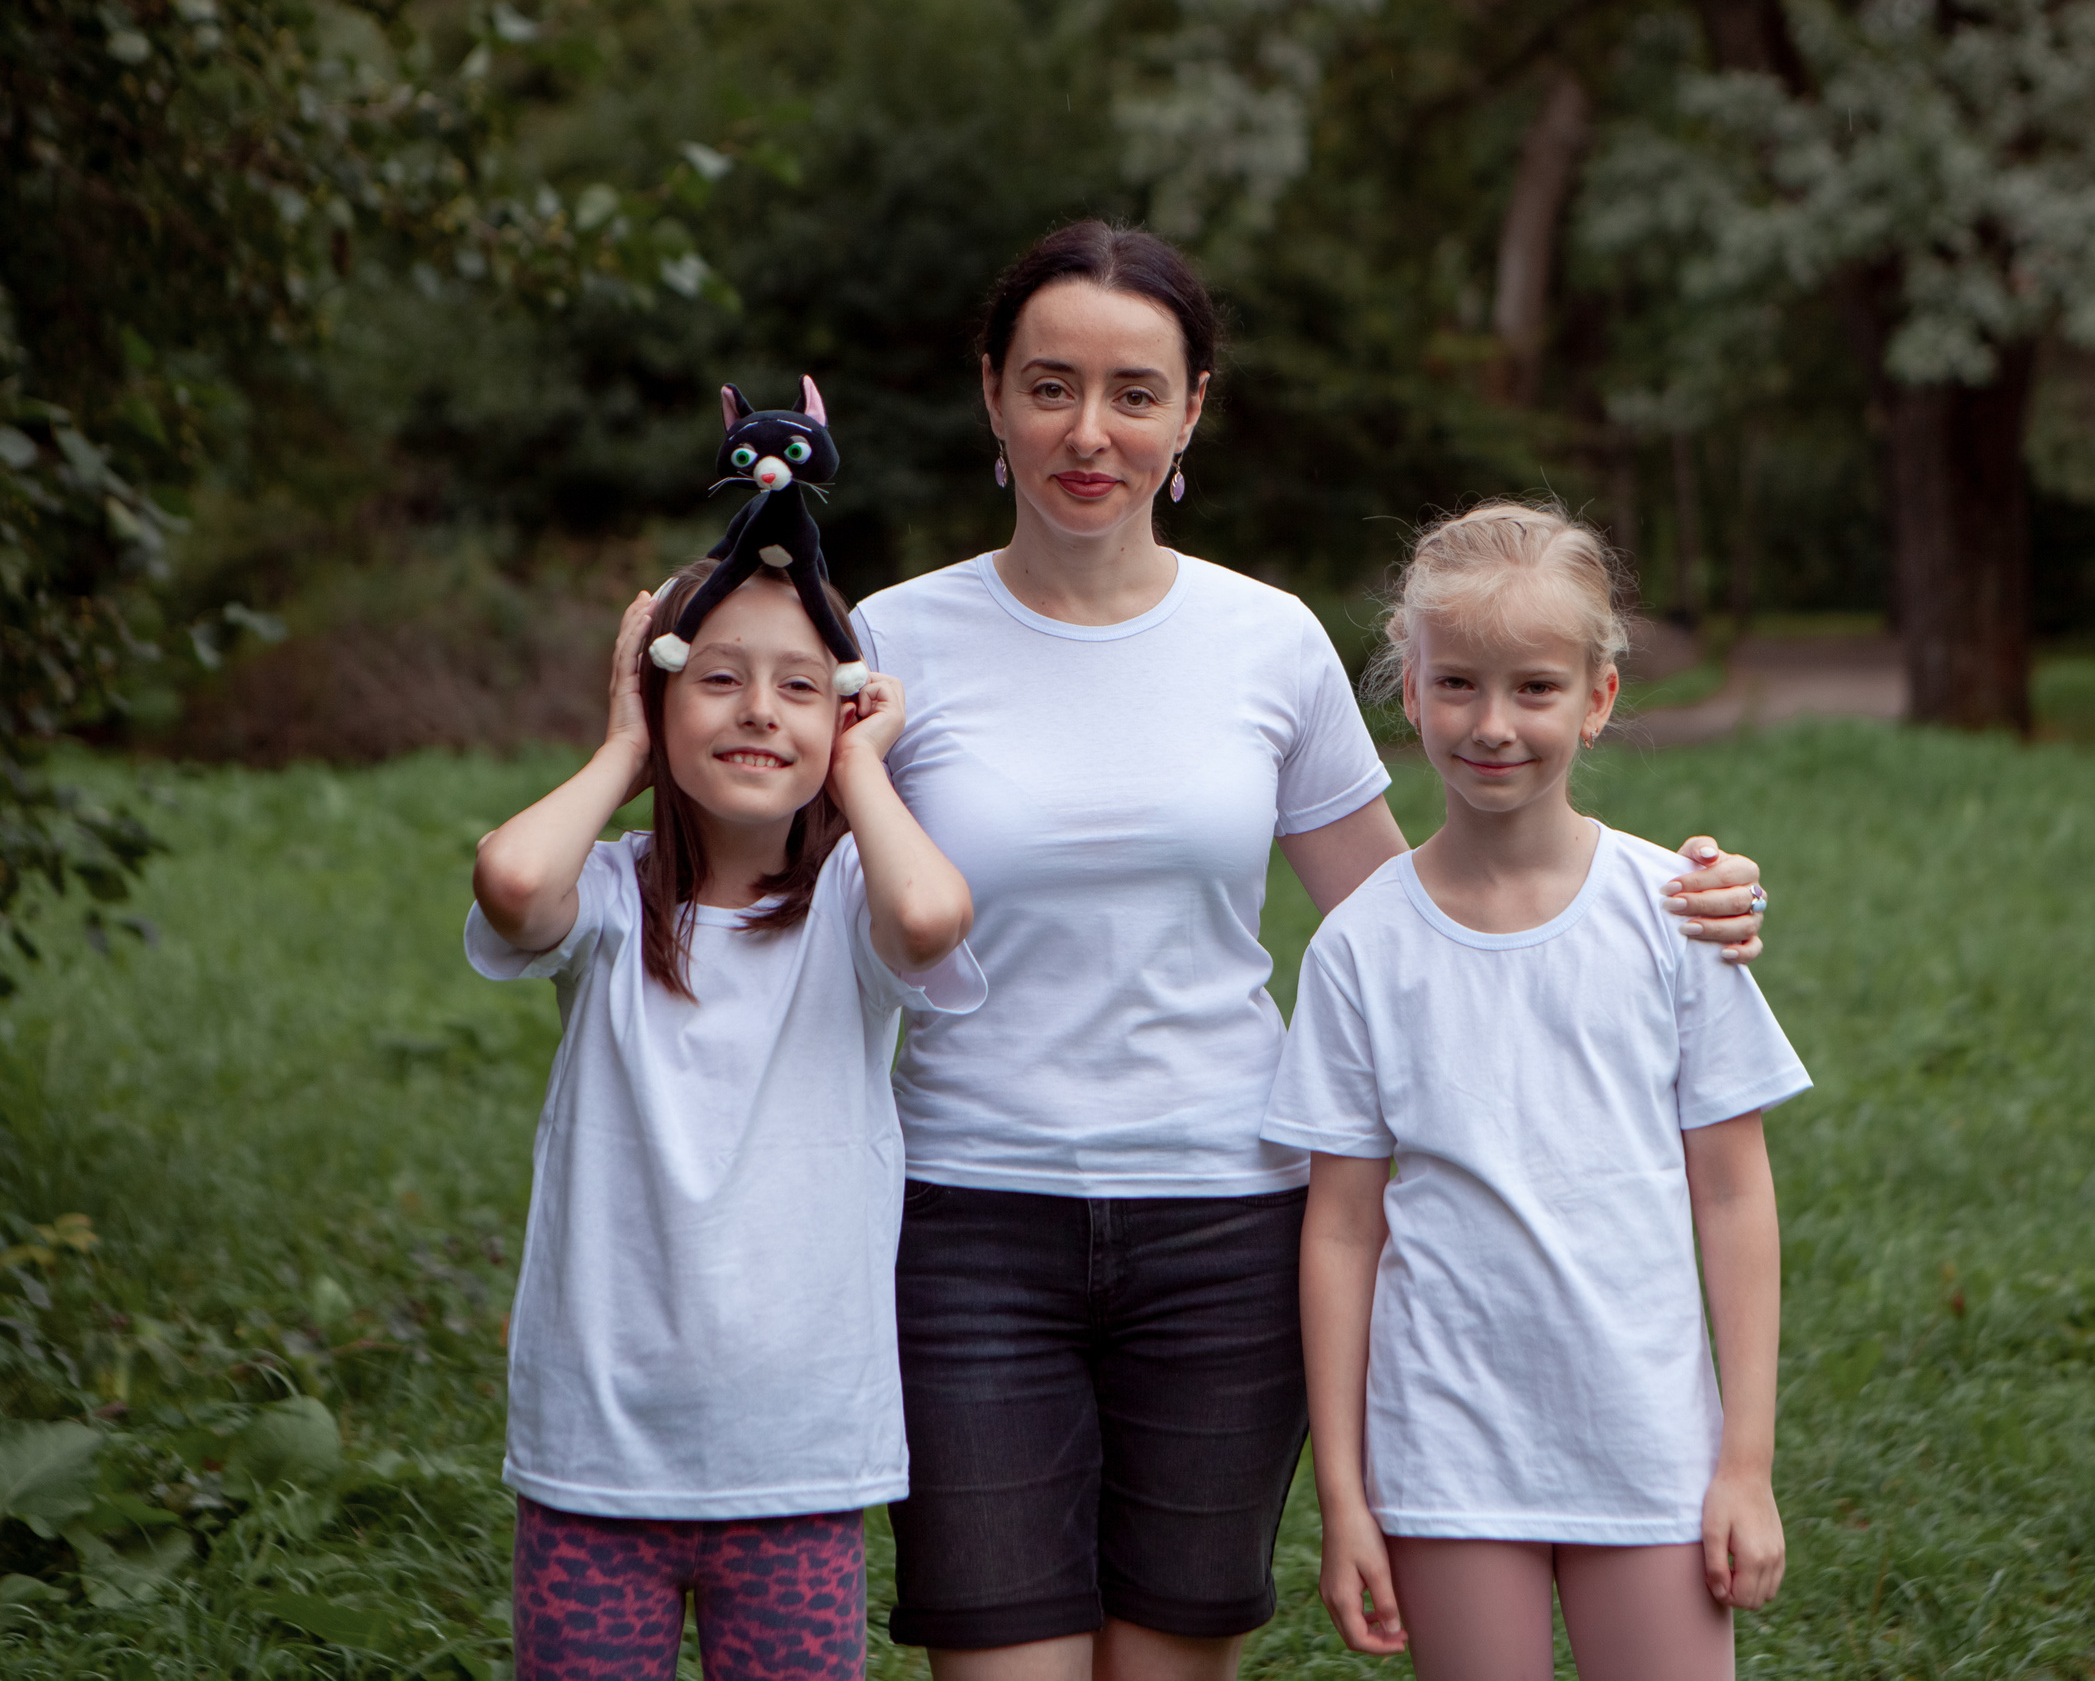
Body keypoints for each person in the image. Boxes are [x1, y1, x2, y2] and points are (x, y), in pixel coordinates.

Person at [850, 220, 1772, 1681]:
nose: (1091, 430)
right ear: (991, 392)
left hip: (1226, 1222)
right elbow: (754, 891)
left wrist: (1670, 896)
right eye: (1051, 384)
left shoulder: (1265, 641)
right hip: (968, 1220)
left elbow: (1414, 902)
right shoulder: (888, 646)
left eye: (1135, 391)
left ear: (1192, 408)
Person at [1266, 502, 1808, 1681]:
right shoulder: (1359, 948)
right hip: (1448, 1454)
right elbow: (1342, 1226)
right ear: (1407, 693)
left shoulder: (1675, 914)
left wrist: (1744, 1463)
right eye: (1456, 683)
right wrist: (1345, 1497)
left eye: (1535, 689)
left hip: (1650, 1443)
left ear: (1598, 700)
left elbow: (1731, 1192)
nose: (1492, 724)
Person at [467, 558, 984, 1681]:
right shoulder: (608, 898)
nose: (758, 709)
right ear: (657, 700)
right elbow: (510, 880)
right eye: (717, 678)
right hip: (596, 1458)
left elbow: (933, 914)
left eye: (801, 688)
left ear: (845, 716)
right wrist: (622, 750)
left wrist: (858, 774)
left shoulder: (851, 908)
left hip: (796, 1462)